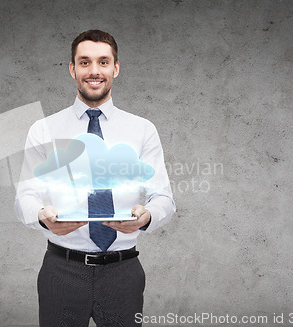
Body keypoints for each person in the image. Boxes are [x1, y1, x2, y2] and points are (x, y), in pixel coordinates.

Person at [15, 29, 175, 326]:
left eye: (103, 62)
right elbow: (25, 196)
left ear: (115, 68)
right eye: (85, 62)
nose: (94, 71)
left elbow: (164, 198)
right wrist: (41, 215)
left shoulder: (142, 130)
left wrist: (146, 216)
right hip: (61, 271)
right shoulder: (43, 130)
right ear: (72, 69)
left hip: (122, 273)